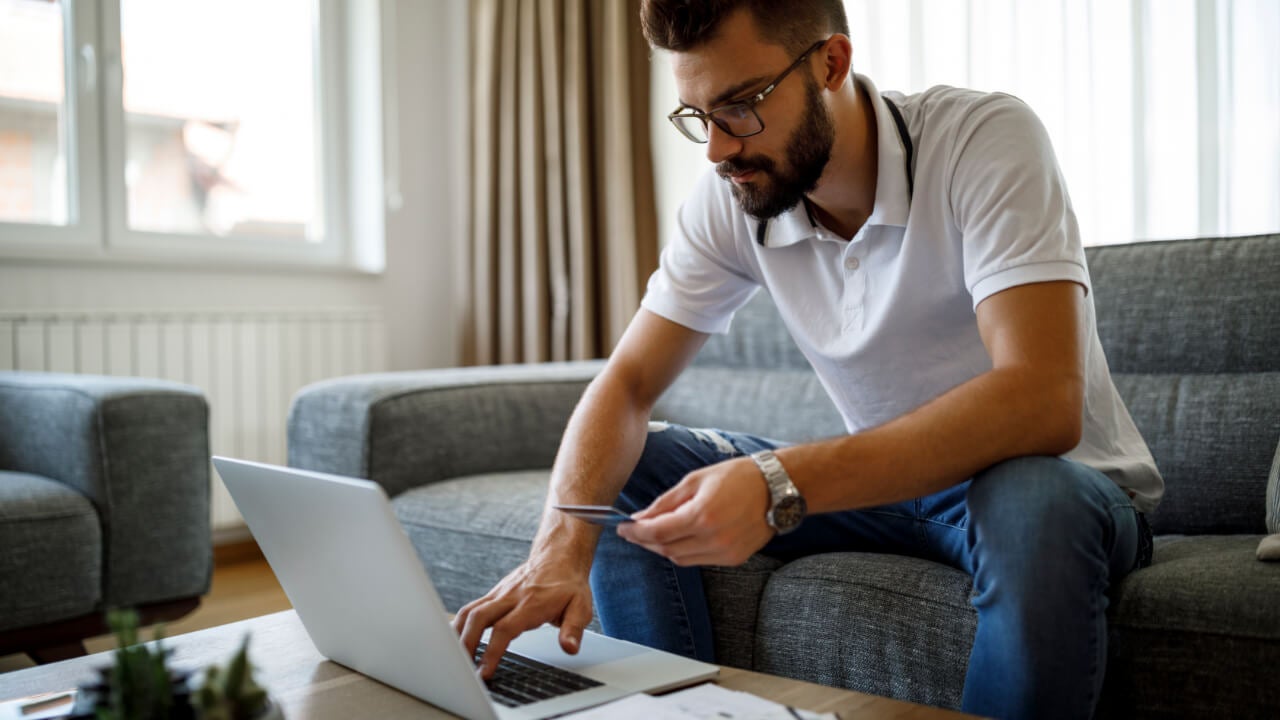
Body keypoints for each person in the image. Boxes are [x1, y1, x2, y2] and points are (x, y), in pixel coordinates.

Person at [453, 1, 1162, 718]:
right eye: (697, 116)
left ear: (831, 63)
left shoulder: (982, 139)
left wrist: (777, 481)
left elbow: (1042, 398)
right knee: (633, 463)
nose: (717, 151)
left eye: (739, 107)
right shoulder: (734, 196)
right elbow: (629, 383)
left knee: (1029, 497)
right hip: (890, 490)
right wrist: (561, 542)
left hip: (1057, 488)